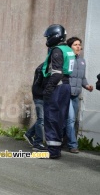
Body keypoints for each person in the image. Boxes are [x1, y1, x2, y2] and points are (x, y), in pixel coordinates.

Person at [42, 24, 75, 159]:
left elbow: (56, 73)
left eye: (49, 36)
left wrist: (48, 89)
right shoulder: (68, 49)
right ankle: (56, 148)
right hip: (66, 86)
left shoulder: (56, 50)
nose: (48, 39)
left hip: (57, 86)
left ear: (55, 36)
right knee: (60, 118)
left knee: (51, 118)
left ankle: (52, 151)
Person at [63, 37, 93, 154]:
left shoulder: (82, 61)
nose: (78, 47)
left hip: (76, 94)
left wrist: (87, 86)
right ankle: (73, 145)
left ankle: (63, 141)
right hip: (67, 93)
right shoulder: (67, 59)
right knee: (70, 119)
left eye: (79, 44)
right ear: (70, 47)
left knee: (72, 120)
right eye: (75, 45)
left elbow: (82, 78)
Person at [23, 63, 47, 151]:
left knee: (42, 119)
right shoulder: (42, 68)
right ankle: (38, 143)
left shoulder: (52, 67)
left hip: (45, 96)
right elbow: (36, 86)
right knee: (41, 119)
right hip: (39, 97)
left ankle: (29, 134)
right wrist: (44, 93)